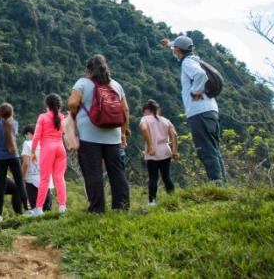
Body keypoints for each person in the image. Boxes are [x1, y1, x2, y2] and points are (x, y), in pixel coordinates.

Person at [67, 54, 131, 213]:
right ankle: (122, 207)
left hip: (89, 135)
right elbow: (125, 110)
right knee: (117, 171)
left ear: (89, 70)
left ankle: (97, 209)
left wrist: (75, 116)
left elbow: (73, 103)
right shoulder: (116, 85)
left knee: (93, 172)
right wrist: (123, 132)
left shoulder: (82, 83)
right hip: (113, 136)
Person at [160, 35, 226, 183]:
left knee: (205, 149)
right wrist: (169, 44)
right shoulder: (195, 59)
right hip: (210, 110)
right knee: (214, 149)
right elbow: (180, 49)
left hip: (199, 111)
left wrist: (195, 93)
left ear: (178, 50)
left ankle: (216, 183)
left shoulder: (187, 63)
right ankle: (222, 183)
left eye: (174, 49)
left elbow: (200, 75)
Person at [0, 103, 28, 222]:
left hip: (0, 158)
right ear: (11, 114)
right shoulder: (15, 124)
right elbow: (8, 124)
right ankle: (27, 209)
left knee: (1, 186)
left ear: (0, 113)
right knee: (20, 183)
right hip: (13, 156)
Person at [29, 94, 67, 215]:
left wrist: (33, 151)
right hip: (60, 148)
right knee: (59, 178)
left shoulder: (43, 117)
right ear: (59, 105)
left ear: (47, 105)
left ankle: (39, 208)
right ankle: (62, 206)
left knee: (44, 179)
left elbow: (36, 136)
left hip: (47, 149)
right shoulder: (62, 117)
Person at [140, 99, 178, 205]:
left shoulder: (145, 119)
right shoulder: (165, 120)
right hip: (166, 151)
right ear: (157, 110)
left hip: (153, 152)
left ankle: (152, 202)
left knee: (153, 178)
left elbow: (144, 129)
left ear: (146, 110)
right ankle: (173, 199)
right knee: (166, 176)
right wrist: (174, 151)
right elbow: (174, 135)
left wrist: (150, 145)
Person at [21, 125, 52, 212]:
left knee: (35, 207)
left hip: (31, 179)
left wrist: (22, 177)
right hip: (45, 177)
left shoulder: (27, 144)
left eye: (25, 135)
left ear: (28, 134)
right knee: (47, 207)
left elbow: (26, 163)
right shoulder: (44, 142)